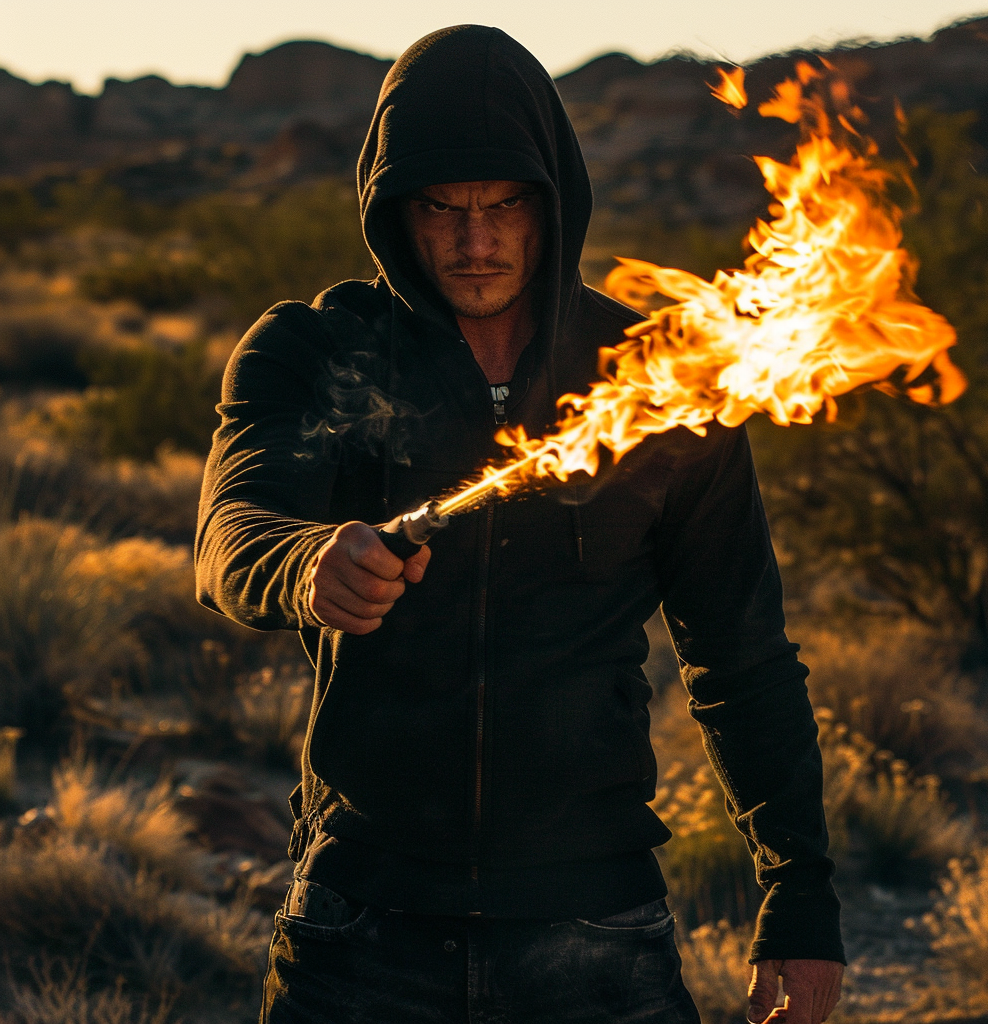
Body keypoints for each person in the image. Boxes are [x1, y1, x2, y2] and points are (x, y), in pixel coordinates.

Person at [195, 24, 845, 1024]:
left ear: (552, 204)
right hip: (362, 925)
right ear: (391, 211)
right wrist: (304, 565)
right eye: (441, 208)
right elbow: (234, 529)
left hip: (596, 931)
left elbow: (740, 655)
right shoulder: (311, 349)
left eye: (503, 205)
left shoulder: (658, 378)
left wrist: (798, 896)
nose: (474, 239)